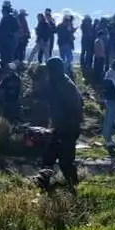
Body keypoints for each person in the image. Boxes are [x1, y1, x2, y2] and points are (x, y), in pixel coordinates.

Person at [37, 57, 84, 194]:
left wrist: (61, 124)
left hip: (68, 128)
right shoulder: (63, 81)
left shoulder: (63, 85)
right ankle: (44, 184)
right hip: (63, 127)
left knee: (65, 160)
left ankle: (73, 188)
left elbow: (73, 106)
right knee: (49, 156)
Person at [101, 60, 115, 149]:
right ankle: (108, 140)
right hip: (111, 99)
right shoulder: (113, 75)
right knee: (109, 119)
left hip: (108, 99)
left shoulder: (109, 72)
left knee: (108, 119)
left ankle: (106, 137)